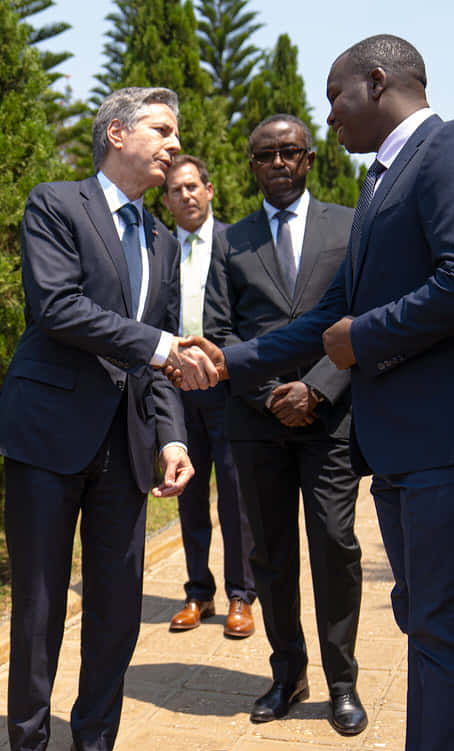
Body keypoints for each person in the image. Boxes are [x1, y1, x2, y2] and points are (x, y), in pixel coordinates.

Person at [174, 35, 454, 751]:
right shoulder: (380, 182)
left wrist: (358, 342)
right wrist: (226, 359)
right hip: (414, 450)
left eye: (336, 93)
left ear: (378, 82)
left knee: (448, 633)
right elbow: (335, 313)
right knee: (428, 629)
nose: (328, 111)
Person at [0, 87, 194, 751]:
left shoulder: (164, 239)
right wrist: (162, 345)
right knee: (39, 600)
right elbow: (58, 305)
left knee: (117, 602)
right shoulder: (56, 204)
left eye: (176, 136)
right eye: (162, 131)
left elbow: (157, 360)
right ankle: (25, 749)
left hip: (128, 445)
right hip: (47, 436)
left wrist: (172, 434)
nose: (173, 145)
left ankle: (95, 743)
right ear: (117, 132)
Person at [205, 116, 365, 736]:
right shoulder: (230, 241)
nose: (277, 161)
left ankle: (342, 683)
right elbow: (222, 332)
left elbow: (362, 315)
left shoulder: (350, 226)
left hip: (331, 416)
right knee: (271, 554)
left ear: (309, 158)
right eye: (264, 154)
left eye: (289, 151)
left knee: (334, 545)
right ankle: (287, 673)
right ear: (250, 164)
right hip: (257, 420)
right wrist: (272, 394)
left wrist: (318, 388)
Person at [161, 155, 256, 640]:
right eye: (176, 190)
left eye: (193, 186)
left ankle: (242, 595)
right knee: (189, 493)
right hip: (177, 390)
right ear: (166, 201)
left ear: (210, 189)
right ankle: (198, 591)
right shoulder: (158, 248)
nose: (186, 196)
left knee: (235, 496)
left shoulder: (235, 243)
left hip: (224, 387)